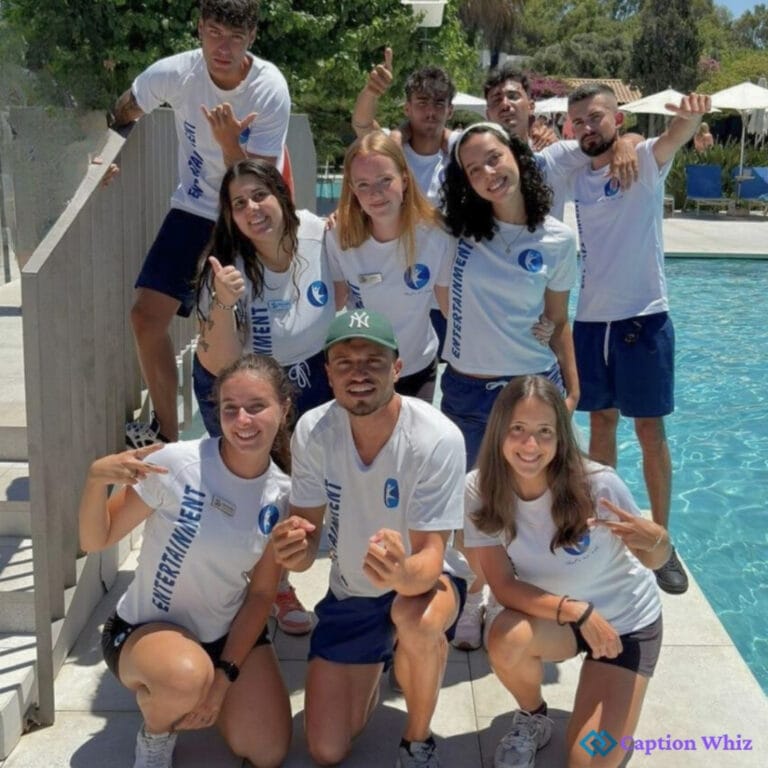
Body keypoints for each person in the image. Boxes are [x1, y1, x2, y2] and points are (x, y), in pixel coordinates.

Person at [271, 309, 471, 768]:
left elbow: (430, 556)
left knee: (414, 618)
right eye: (344, 362)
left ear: (397, 368)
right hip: (353, 591)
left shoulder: (436, 437)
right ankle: (382, 659)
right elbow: (306, 538)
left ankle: (417, 741)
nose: (358, 373)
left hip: (426, 582)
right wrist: (293, 552)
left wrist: (402, 573)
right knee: (325, 749)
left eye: (373, 361)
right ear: (328, 373)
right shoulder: (313, 430)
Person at [78, 354, 293, 768]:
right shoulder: (178, 463)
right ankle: (156, 734)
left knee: (267, 752)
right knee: (185, 679)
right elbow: (95, 538)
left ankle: (198, 686)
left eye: (256, 407)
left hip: (221, 634)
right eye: (230, 408)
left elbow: (263, 594)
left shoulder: (282, 496)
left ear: (284, 409)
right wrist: (94, 480)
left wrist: (224, 679)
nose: (242, 420)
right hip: (142, 630)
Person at [110, 0, 290, 446]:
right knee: (145, 318)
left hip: (248, 213)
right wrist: (106, 155)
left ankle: (260, 437)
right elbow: (124, 111)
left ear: (251, 39)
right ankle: (168, 437)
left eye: (234, 37)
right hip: (193, 208)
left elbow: (256, 185)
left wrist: (230, 145)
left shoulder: (269, 88)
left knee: (246, 334)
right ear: (199, 30)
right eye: (213, 32)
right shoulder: (175, 73)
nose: (222, 47)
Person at [464, 375, 667, 768]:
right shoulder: (480, 489)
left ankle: (613, 697)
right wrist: (579, 612)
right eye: (518, 430)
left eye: (544, 432)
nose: (530, 445)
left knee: (588, 761)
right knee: (505, 636)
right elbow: (502, 586)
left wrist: (660, 543)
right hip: (564, 618)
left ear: (561, 437)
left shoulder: (598, 485)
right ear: (498, 433)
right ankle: (533, 715)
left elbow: (653, 561)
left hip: (626, 627)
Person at [565, 85, 712, 595]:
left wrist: (691, 118)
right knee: (600, 424)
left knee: (650, 431)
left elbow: (675, 136)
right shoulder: (576, 175)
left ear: (618, 118)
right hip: (590, 320)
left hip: (644, 318)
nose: (588, 125)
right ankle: (607, 527)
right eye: (578, 119)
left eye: (596, 116)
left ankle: (661, 540)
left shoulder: (646, 159)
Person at [439, 122, 579, 651]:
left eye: (494, 159)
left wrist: (572, 388)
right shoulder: (456, 232)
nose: (487, 174)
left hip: (529, 387)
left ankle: (508, 595)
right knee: (472, 505)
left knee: (529, 502)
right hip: (468, 390)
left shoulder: (558, 240)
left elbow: (558, 321)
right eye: (473, 170)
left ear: (518, 156)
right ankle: (475, 593)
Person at [193, 158, 334, 635]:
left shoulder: (322, 233)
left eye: (260, 195)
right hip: (245, 379)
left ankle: (290, 578)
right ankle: (271, 588)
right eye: (239, 203)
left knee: (304, 483)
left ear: (282, 196)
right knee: (254, 488)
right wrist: (223, 303)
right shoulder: (227, 267)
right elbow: (221, 364)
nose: (252, 208)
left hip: (312, 368)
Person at [327, 132, 455, 402]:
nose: (375, 193)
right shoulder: (338, 236)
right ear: (351, 189)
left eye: (385, 180)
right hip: (363, 373)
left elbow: (450, 308)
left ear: (405, 180)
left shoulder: (437, 236)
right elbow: (335, 301)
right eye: (363, 185)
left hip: (417, 368)